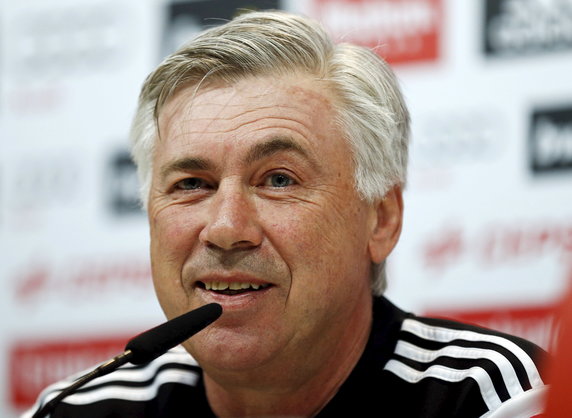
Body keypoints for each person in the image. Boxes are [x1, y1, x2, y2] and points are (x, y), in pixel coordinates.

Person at [25, 10, 548, 417]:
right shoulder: (80, 412)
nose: (227, 228)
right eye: (192, 184)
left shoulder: (490, 398)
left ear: (381, 220)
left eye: (279, 180)